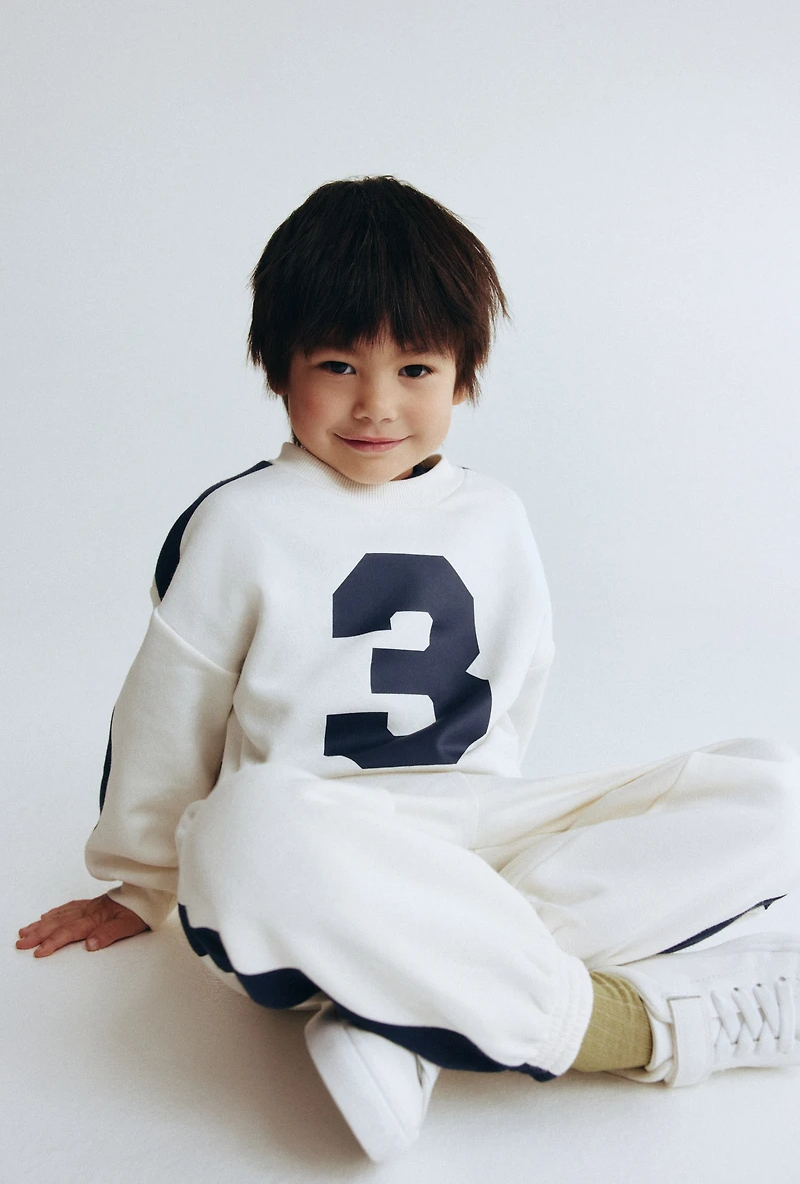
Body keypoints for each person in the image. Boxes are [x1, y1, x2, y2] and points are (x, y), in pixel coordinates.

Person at [16, 175, 800, 1163]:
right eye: (338, 364)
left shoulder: (496, 515)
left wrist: (474, 860)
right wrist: (138, 883)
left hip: (468, 838)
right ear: (277, 369)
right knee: (240, 825)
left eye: (416, 368)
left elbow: (515, 696)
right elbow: (166, 716)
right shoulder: (240, 523)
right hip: (311, 847)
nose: (376, 404)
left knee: (771, 790)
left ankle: (400, 997)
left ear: (464, 376)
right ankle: (631, 1024)